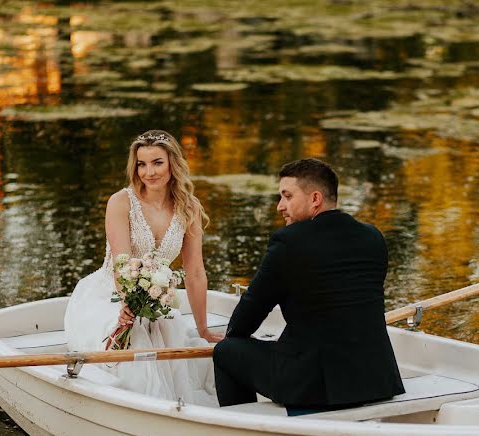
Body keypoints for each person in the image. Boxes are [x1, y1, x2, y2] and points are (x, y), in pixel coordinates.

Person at [213, 158, 404, 410]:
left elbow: (251, 310)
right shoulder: (372, 236)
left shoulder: (288, 242)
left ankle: (240, 430)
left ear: (315, 199)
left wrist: (232, 337)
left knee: (227, 351)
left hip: (314, 384)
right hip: (376, 378)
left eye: (287, 196)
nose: (280, 206)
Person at [64, 130, 223, 405]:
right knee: (136, 339)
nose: (149, 172)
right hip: (111, 294)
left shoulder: (189, 208)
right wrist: (128, 306)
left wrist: (203, 329)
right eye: (142, 164)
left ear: (173, 163)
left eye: (157, 162)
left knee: (173, 336)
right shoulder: (121, 202)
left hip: (156, 299)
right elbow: (120, 264)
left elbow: (195, 272)